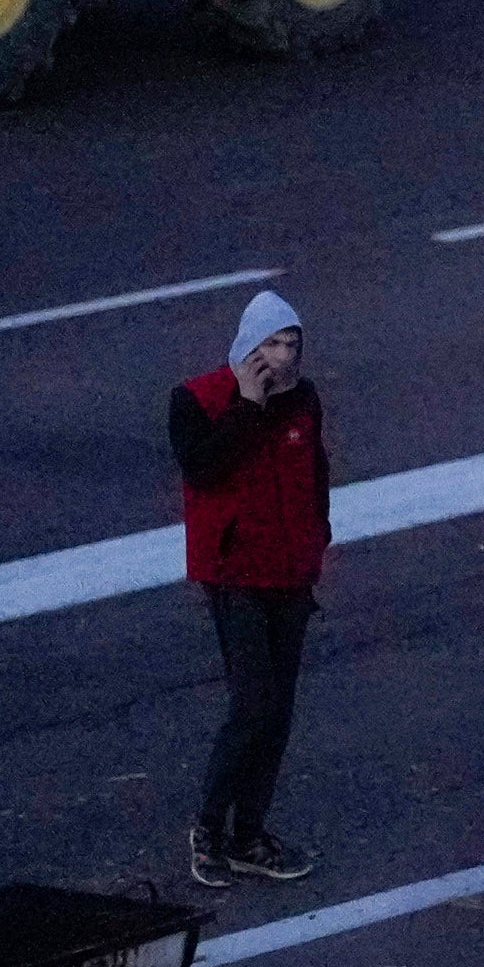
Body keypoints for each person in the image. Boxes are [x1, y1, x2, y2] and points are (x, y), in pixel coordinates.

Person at [168, 290, 332, 888]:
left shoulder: (304, 400)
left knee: (278, 713)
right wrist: (248, 405)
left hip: (290, 573)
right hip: (235, 574)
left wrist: (318, 543)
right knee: (252, 707)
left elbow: (315, 472)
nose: (283, 356)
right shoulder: (196, 400)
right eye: (271, 344)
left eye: (291, 344)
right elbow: (205, 470)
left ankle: (248, 835)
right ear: (247, 345)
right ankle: (209, 828)